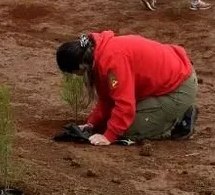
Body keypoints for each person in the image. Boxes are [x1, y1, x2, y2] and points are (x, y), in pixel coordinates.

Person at [55, 31, 198, 146]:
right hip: (165, 81)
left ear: (82, 66)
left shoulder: (112, 63)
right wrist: (91, 124)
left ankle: (180, 118)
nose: (78, 76)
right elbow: (108, 99)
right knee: (113, 122)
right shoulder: (99, 53)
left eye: (76, 73)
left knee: (128, 130)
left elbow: (125, 104)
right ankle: (171, 110)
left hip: (179, 86)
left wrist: (109, 136)